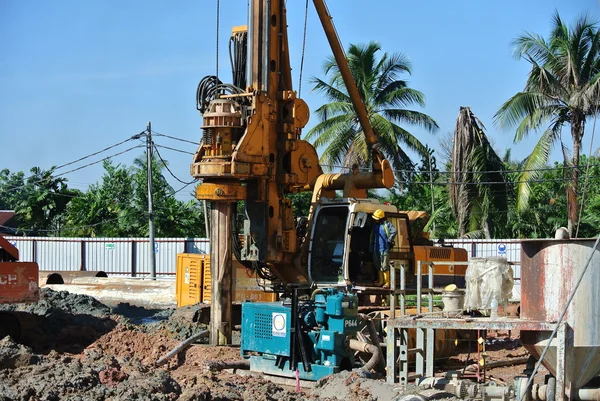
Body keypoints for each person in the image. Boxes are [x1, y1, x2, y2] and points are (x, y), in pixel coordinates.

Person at [371, 209, 397, 287]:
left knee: (384, 266)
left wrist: (389, 240)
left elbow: (394, 231)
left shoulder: (387, 225)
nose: (375, 220)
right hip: (376, 249)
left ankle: (387, 282)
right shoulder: (375, 226)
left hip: (384, 249)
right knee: (378, 265)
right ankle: (381, 281)